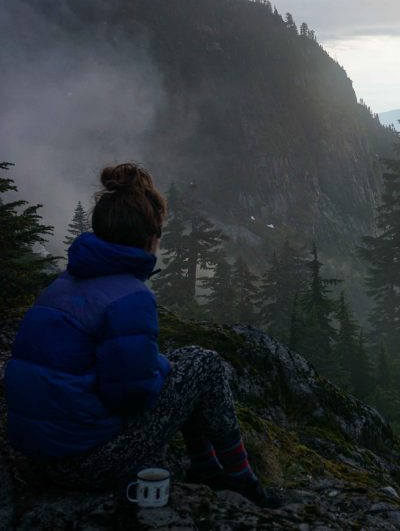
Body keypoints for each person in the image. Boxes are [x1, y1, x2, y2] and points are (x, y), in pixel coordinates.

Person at [3, 163, 279, 507]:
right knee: (203, 365)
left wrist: (160, 368)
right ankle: (243, 480)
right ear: (151, 237)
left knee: (185, 367)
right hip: (85, 464)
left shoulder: (62, 285)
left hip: (38, 455)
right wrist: (161, 369)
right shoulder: (129, 297)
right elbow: (132, 396)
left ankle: (207, 467)